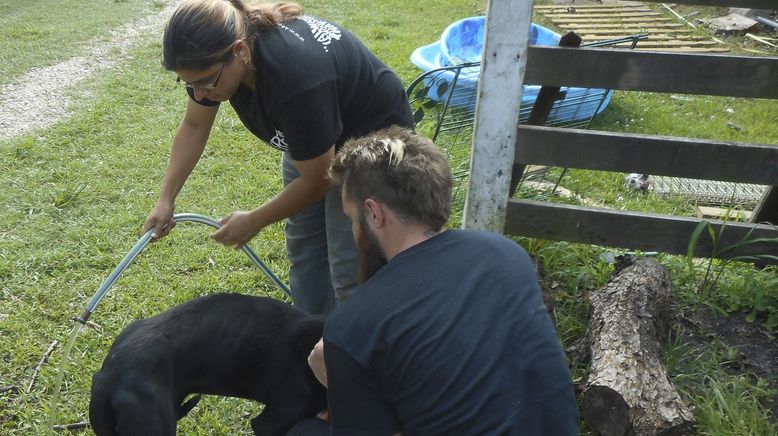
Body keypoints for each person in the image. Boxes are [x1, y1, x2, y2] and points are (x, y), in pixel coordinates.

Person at [298, 126, 579, 435]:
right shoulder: (506, 255)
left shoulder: (354, 327)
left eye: (352, 219)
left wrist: (338, 376)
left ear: (374, 213)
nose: (354, 233)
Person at [143, 0, 414, 315]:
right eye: (189, 84)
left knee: (349, 268)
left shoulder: (294, 79)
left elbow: (318, 179)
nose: (199, 94)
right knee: (305, 248)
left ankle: (356, 352)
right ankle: (312, 336)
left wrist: (255, 220)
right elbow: (194, 125)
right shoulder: (214, 65)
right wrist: (166, 199)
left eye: (205, 82)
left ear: (240, 51)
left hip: (371, 143)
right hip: (314, 139)